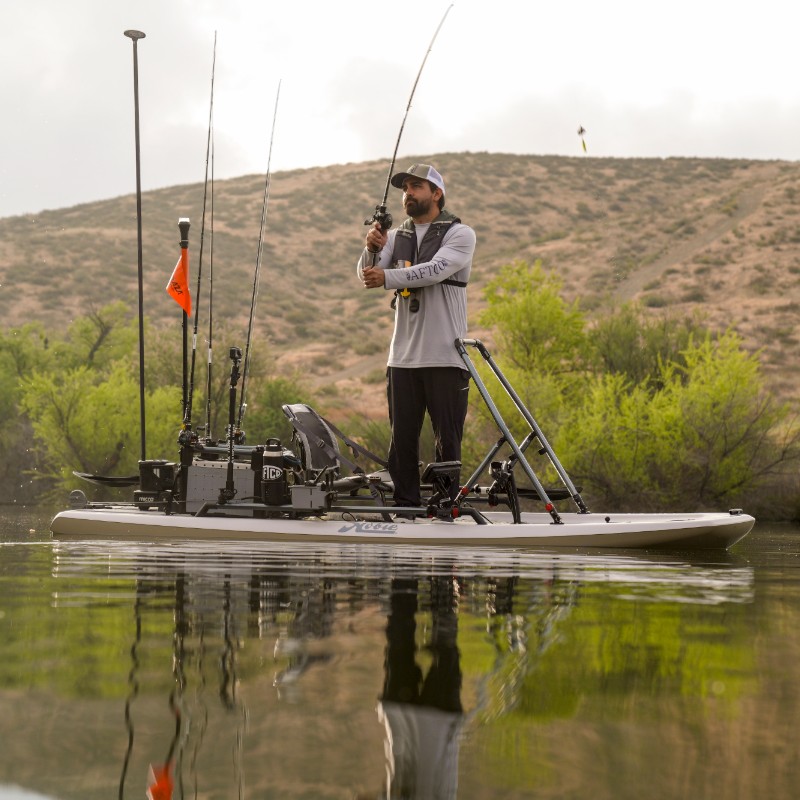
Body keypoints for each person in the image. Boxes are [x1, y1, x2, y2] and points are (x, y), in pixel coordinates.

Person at [357, 164, 476, 514]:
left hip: (446, 356)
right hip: (402, 358)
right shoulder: (396, 237)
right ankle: (405, 508)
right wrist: (371, 248)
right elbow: (366, 274)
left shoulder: (461, 234)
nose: (408, 193)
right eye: (405, 188)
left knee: (447, 442)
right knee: (401, 443)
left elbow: (435, 270)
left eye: (416, 186)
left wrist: (387, 276)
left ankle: (446, 509)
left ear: (436, 194)